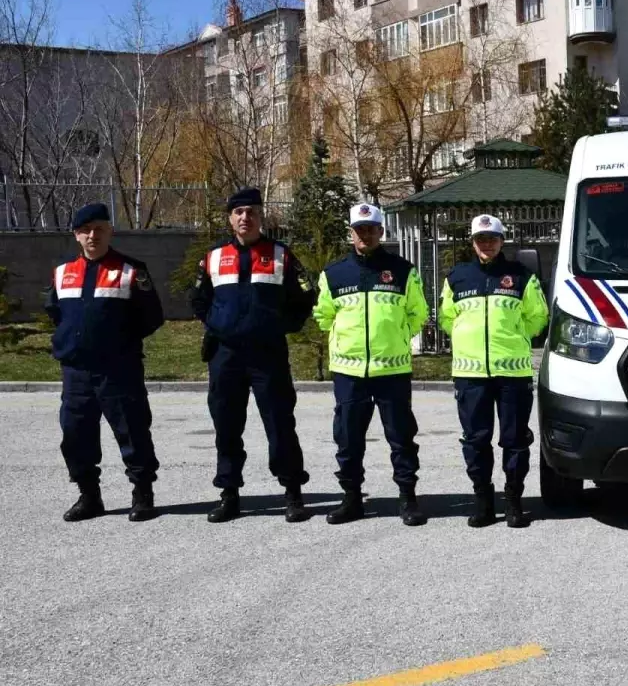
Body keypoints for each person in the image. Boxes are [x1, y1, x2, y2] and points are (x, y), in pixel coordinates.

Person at [189, 187, 316, 523]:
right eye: (238, 212)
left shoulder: (280, 255)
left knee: (280, 424)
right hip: (225, 356)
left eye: (251, 211)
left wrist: (277, 327)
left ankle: (292, 493)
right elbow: (198, 300)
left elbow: (305, 297)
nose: (245, 218)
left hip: (267, 355)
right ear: (230, 218)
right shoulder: (213, 257)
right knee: (226, 426)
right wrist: (217, 326)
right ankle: (229, 494)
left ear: (261, 216)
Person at [44, 203, 165, 522]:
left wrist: (118, 342)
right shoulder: (62, 272)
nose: (92, 235)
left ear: (110, 231)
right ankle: (89, 495)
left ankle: (143, 494)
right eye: (85, 230)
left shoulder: (131, 270)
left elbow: (152, 317)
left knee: (132, 430)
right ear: (76, 236)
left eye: (99, 228)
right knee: (75, 434)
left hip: (118, 369)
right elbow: (55, 312)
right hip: (76, 372)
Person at [313, 203, 430, 526]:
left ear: (382, 231)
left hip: (391, 370)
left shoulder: (403, 270)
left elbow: (417, 313)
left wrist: (398, 335)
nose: (365, 234)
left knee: (401, 437)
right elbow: (324, 316)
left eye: (371, 229)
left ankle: (408, 498)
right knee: (348, 438)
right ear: (351, 233)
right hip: (349, 373)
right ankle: (351, 499)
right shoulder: (334, 274)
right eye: (359, 229)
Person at [439, 215, 549, 528]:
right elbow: (448, 318)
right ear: (472, 242)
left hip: (512, 374)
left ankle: (513, 502)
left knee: (515, 440)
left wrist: (517, 336)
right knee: (476, 440)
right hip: (470, 374)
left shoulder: (520, 276)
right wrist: (464, 336)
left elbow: (538, 316)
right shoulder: (457, 277)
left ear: (502, 240)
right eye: (480, 239)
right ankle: (483, 502)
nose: (486, 244)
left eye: (492, 238)